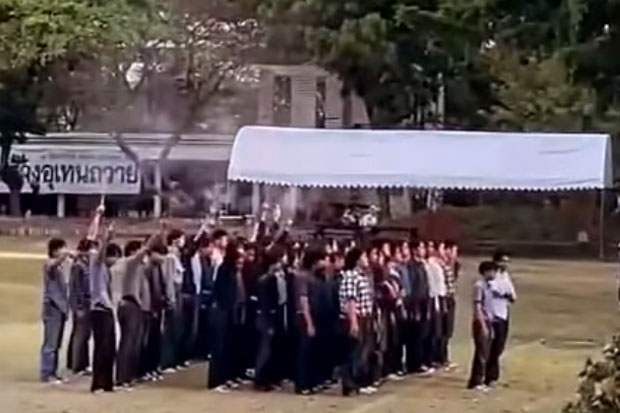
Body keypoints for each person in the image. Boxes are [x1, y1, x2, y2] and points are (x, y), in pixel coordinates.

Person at [116, 238, 154, 388]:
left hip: (137, 307)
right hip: (129, 305)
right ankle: (121, 377)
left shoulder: (140, 267)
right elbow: (143, 253)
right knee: (127, 343)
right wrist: (153, 239)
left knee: (134, 343)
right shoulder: (130, 264)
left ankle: (129, 376)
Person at [208, 242, 244, 392]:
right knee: (219, 348)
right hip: (222, 312)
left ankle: (227, 377)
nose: (241, 260)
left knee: (230, 347)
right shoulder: (224, 270)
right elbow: (220, 291)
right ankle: (216, 381)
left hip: (233, 312)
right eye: (239, 257)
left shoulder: (236, 272)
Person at [339, 248, 375, 396]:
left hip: (365, 316)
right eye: (364, 256)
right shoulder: (351, 277)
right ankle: (349, 384)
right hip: (355, 317)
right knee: (353, 352)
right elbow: (350, 301)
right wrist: (353, 322)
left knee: (362, 351)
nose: (367, 259)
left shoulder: (362, 276)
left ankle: (359, 382)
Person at [90, 225, 121, 393]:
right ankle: (97, 383)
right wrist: (107, 239)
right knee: (101, 348)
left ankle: (108, 382)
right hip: (99, 310)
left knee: (110, 348)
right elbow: (100, 254)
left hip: (108, 311)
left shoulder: (107, 271)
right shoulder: (97, 266)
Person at [40, 238, 72, 383]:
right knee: (51, 343)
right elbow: (53, 265)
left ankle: (53, 372)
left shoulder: (60, 267)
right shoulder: (49, 263)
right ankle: (46, 373)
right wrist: (64, 255)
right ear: (54, 250)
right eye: (62, 248)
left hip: (60, 308)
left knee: (57, 343)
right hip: (52, 307)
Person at [488, 249, 517, 386]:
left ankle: (494, 374)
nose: (505, 264)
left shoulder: (506, 276)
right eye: (503, 261)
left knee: (500, 346)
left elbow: (512, 294)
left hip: (504, 313)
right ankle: (490, 376)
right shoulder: (492, 275)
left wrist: (508, 295)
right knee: (493, 346)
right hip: (494, 314)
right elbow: (495, 291)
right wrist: (506, 294)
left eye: (507, 261)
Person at [467, 261, 496, 390]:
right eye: (492, 271)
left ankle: (480, 379)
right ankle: (476, 381)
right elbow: (477, 306)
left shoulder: (489, 286)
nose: (494, 274)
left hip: (489, 321)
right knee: (481, 353)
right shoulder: (479, 286)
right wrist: (483, 325)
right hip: (481, 322)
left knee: (486, 352)